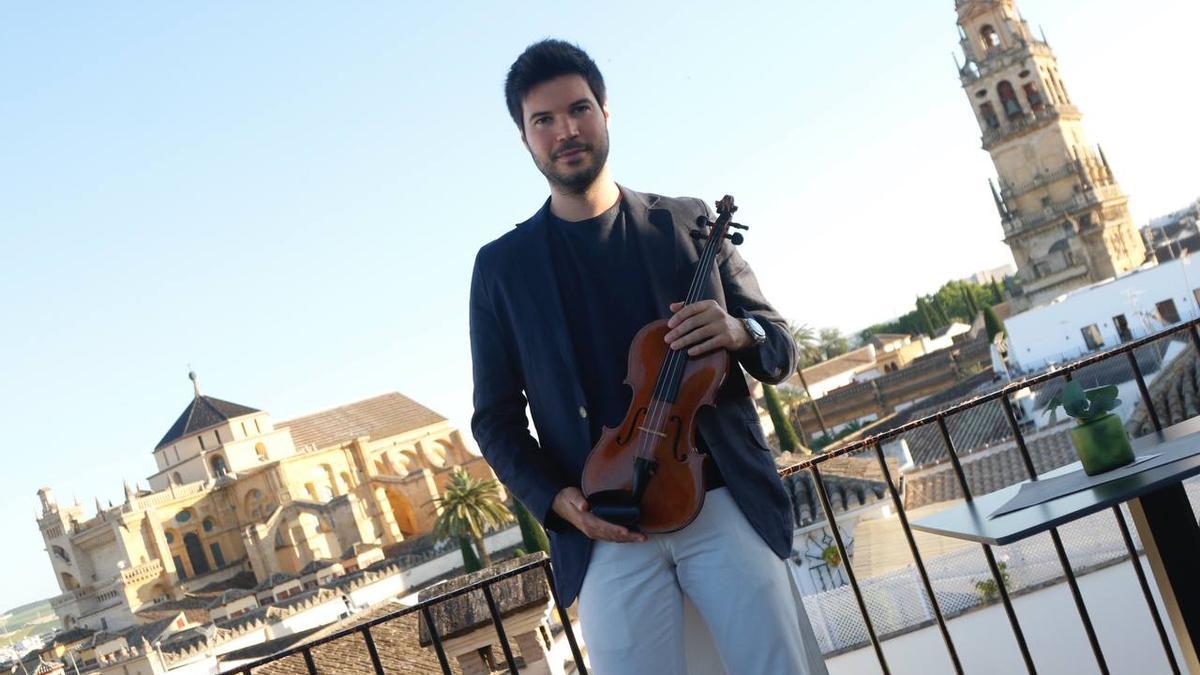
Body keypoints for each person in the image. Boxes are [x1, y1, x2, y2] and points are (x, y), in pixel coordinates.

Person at [469, 39, 828, 674]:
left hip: (720, 498)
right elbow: (494, 418)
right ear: (524, 139)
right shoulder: (502, 268)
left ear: (606, 113)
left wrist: (738, 332)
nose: (565, 130)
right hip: (605, 526)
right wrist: (556, 499)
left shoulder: (690, 225)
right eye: (543, 120)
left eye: (578, 109)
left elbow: (778, 345)